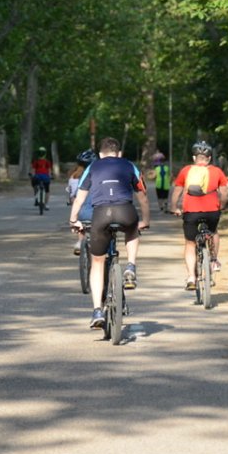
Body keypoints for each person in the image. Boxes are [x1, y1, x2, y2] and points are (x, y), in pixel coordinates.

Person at [68, 137, 150, 329]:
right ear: (119, 153)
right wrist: (145, 221)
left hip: (100, 214)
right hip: (125, 211)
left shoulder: (92, 167)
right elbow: (143, 198)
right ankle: (130, 266)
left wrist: (73, 220)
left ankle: (97, 310)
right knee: (132, 230)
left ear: (100, 154)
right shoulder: (130, 165)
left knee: (97, 262)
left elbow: (79, 199)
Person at [171, 142, 228, 291]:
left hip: (191, 212)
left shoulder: (186, 171)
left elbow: (177, 191)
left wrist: (173, 207)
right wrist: (221, 206)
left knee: (190, 243)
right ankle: (214, 260)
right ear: (209, 158)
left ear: (194, 157)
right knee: (214, 232)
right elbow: (224, 193)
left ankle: (191, 277)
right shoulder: (217, 171)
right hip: (212, 212)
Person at [65, 149, 96, 255]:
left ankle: (80, 241)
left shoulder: (74, 177)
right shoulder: (98, 175)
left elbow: (73, 196)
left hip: (82, 208)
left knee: (78, 212)